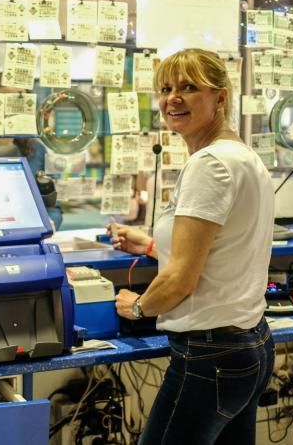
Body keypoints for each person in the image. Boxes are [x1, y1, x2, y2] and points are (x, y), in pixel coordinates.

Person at [108, 48, 274, 445]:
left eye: (188, 87)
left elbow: (182, 280)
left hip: (210, 355)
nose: (172, 98)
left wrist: (138, 307)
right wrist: (151, 245)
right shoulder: (243, 157)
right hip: (250, 346)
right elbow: (226, 247)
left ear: (220, 98)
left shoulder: (210, 165)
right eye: (165, 88)